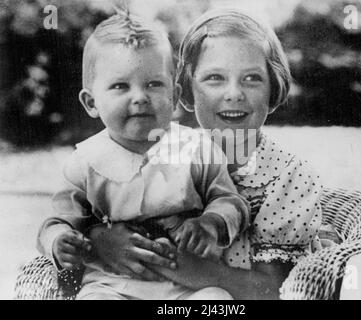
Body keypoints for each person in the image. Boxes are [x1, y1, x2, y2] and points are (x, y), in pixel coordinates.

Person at [87, 8, 325, 300]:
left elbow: (278, 291)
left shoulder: (287, 177)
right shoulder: (164, 151)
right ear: (185, 89)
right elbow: (104, 206)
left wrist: (185, 268)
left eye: (252, 78)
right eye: (214, 78)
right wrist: (101, 239)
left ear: (273, 85)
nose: (234, 93)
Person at [36, 11, 250, 300]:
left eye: (153, 84)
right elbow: (59, 221)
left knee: (217, 301)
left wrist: (211, 223)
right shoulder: (85, 162)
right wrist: (60, 241)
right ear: (91, 102)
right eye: (120, 86)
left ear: (174, 97)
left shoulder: (195, 148)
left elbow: (231, 200)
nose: (139, 97)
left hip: (188, 286)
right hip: (113, 284)